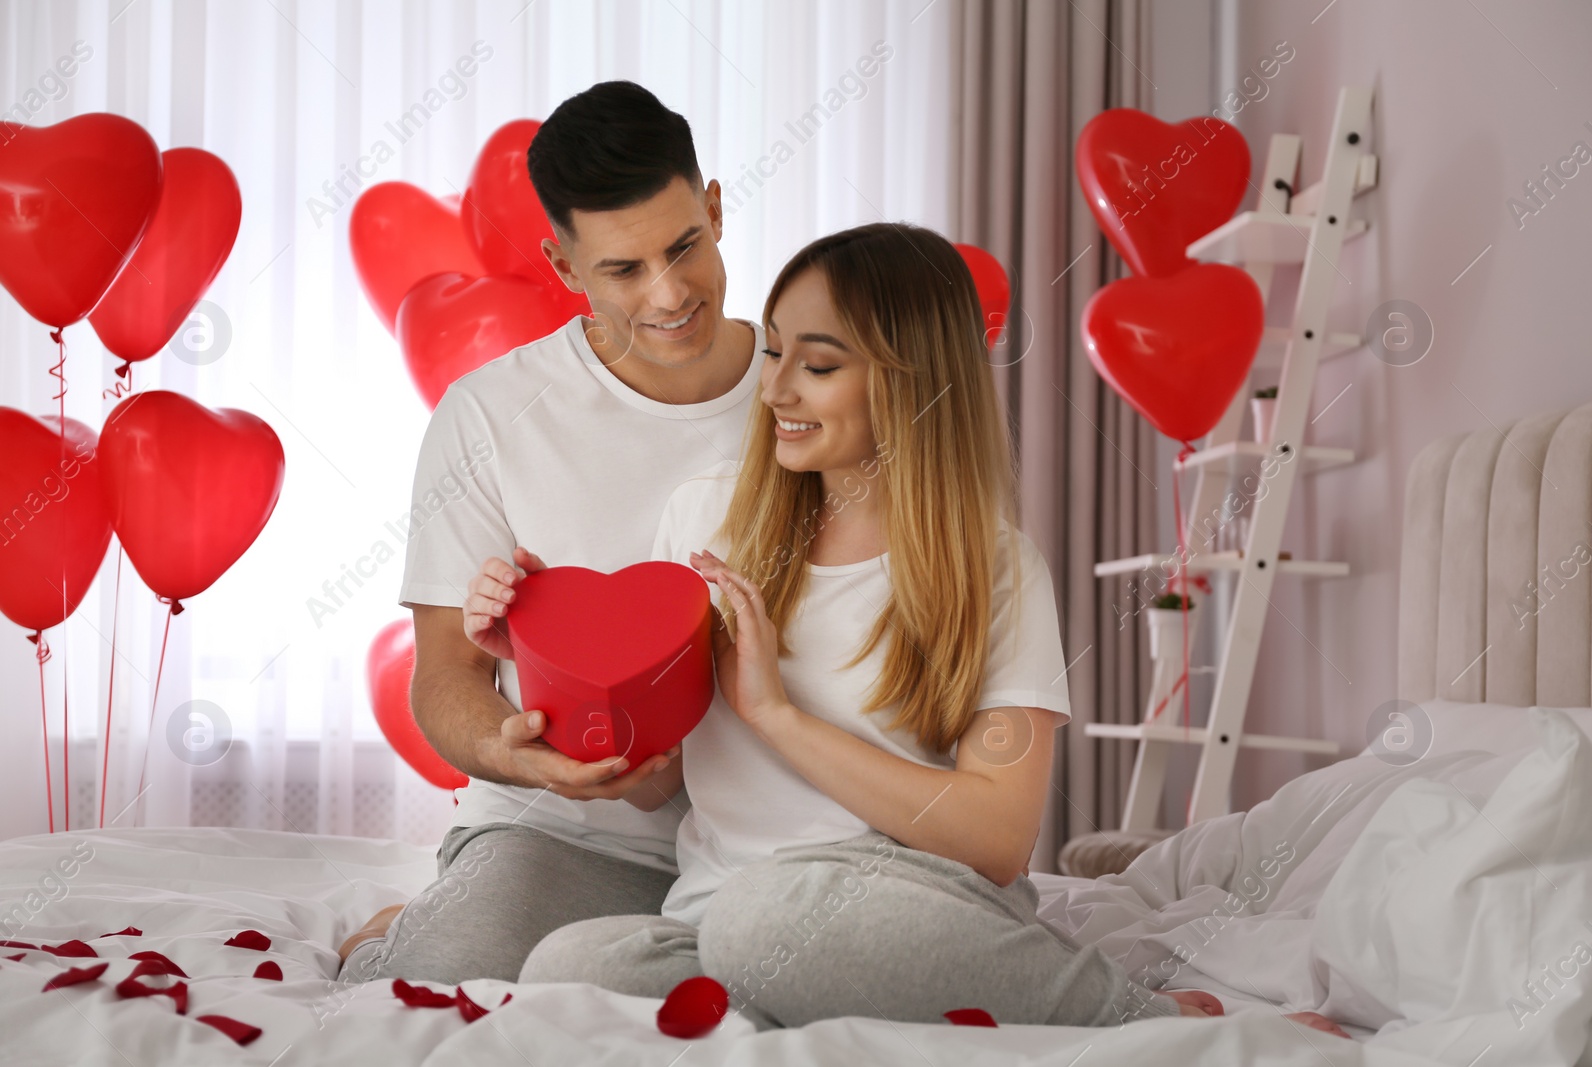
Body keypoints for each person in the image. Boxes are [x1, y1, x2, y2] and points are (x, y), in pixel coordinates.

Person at [490, 222, 1349, 1035]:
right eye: (778, 350)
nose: (776, 388)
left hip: (900, 900)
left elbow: (999, 841)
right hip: (719, 914)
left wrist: (780, 716)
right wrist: (541, 659)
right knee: (569, 962)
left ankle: (1132, 1014)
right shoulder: (704, 518)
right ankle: (832, 995)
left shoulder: (993, 567)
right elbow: (653, 779)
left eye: (817, 366)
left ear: (909, 381)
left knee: (763, 924)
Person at [337, 80, 766, 985]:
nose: (670, 292)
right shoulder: (489, 415)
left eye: (685, 246)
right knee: (433, 986)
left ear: (717, 209)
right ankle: (408, 926)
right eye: (622, 270)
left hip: (774, 834)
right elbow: (448, 672)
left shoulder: (809, 397)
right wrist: (513, 751)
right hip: (569, 834)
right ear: (564, 268)